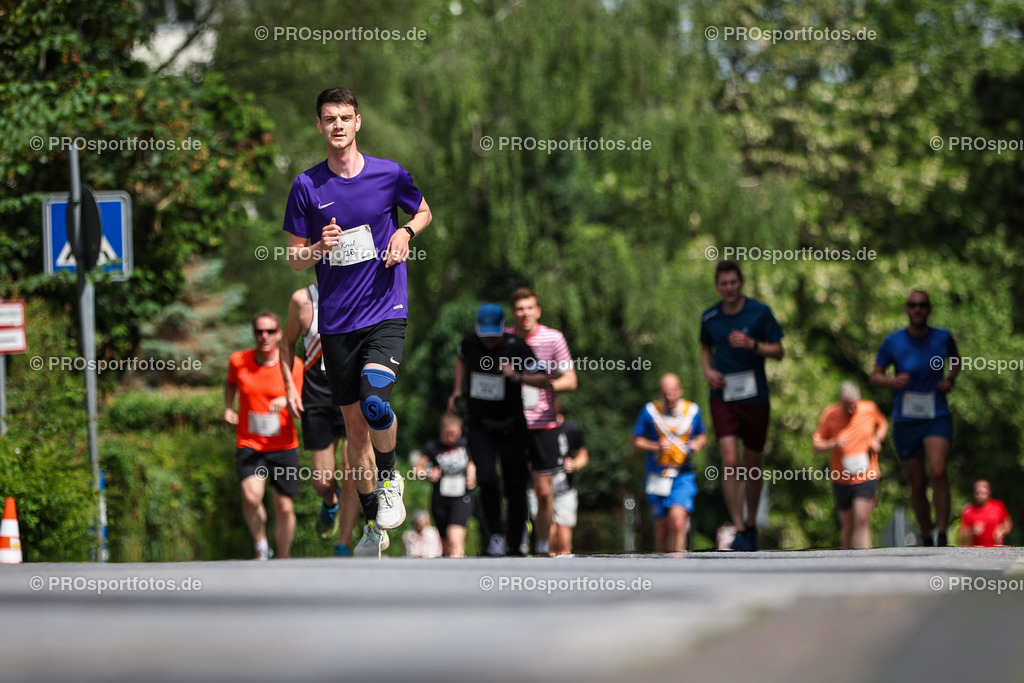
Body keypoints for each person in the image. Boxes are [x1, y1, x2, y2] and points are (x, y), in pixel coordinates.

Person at [282, 87, 432, 557]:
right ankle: (373, 524)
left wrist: (406, 233)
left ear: (359, 122)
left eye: (346, 117)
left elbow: (424, 211)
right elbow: (293, 259)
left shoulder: (390, 175)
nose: (338, 126)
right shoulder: (307, 186)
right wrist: (318, 249)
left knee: (373, 402)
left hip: (386, 308)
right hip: (337, 321)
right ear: (320, 126)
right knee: (354, 430)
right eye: (330, 119)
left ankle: (390, 478)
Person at [448, 303, 547, 556]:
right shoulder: (469, 343)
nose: (489, 340)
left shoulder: (516, 346)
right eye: (485, 335)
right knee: (487, 479)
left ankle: (516, 541)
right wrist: (458, 389)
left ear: (503, 328)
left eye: (494, 334)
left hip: (512, 426)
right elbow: (460, 358)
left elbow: (544, 378)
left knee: (516, 486)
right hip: (481, 426)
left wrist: (518, 377)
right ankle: (494, 536)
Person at [699, 260, 784, 551]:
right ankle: (738, 526)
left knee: (753, 463)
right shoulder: (710, 317)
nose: (729, 288)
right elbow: (704, 349)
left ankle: (750, 523)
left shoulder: (759, 312)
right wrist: (708, 372)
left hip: (754, 395)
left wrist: (753, 345)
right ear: (717, 286)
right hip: (722, 396)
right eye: (724, 283)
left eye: (733, 282)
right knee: (730, 461)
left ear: (741, 283)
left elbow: (779, 351)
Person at [870, 290, 959, 546]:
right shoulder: (893, 341)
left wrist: (950, 380)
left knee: (939, 470)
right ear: (906, 309)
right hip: (906, 418)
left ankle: (942, 533)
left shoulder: (942, 337)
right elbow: (874, 375)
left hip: (936, 413)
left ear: (929, 309)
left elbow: (955, 360)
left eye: (922, 305)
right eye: (913, 305)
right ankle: (925, 534)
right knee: (918, 483)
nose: (918, 309)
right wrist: (891, 380)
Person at [280, 282, 360, 556]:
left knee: (353, 471)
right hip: (317, 398)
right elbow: (286, 344)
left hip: (353, 394)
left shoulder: (359, 289)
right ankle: (330, 500)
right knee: (322, 481)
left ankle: (344, 543)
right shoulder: (302, 300)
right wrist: (290, 386)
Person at [224, 311, 304, 560]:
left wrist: (286, 399)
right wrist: (228, 407)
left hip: (283, 445)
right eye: (259, 331)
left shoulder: (293, 365)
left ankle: (283, 555)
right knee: (251, 496)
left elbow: (301, 403)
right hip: (251, 443)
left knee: (285, 506)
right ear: (254, 334)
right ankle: (260, 545)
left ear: (279, 334)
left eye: (270, 331)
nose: (264, 336)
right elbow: (230, 383)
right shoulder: (239, 360)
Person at [508, 287, 578, 557]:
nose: (524, 314)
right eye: (519, 309)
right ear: (513, 313)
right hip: (512, 424)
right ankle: (513, 543)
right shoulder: (504, 338)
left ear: (537, 311)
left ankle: (541, 545)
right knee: (513, 489)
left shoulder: (553, 338)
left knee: (544, 492)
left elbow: (571, 380)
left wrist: (543, 384)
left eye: (529, 308)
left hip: (544, 425)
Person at [630, 373, 708, 553]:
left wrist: (698, 443)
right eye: (666, 393)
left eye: (673, 392)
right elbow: (635, 440)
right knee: (662, 529)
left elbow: (703, 435)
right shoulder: (650, 411)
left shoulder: (692, 411)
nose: (670, 397)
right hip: (656, 476)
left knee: (677, 521)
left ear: (680, 390)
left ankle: (679, 566)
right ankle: (663, 571)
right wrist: (655, 446)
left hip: (683, 476)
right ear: (660, 393)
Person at [812, 382, 888, 550]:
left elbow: (883, 424)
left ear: (859, 399)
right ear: (840, 401)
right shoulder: (830, 415)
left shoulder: (869, 409)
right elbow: (816, 447)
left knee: (861, 518)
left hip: (866, 474)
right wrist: (833, 444)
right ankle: (846, 561)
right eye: (847, 407)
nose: (852, 410)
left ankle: (864, 559)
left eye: (854, 406)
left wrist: (877, 439)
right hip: (841, 477)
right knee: (847, 524)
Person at [414, 413, 476, 558]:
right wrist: (428, 473)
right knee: (446, 546)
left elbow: (474, 462)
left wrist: (472, 472)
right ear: (441, 430)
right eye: (447, 433)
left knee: (454, 538)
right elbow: (417, 470)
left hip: (462, 497)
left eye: (454, 433)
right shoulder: (432, 446)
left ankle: (459, 569)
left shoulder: (466, 444)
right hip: (440, 498)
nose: (451, 437)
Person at [959, 480, 1012, 547]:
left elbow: (1008, 524)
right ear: (974, 493)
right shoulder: (968, 510)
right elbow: (962, 536)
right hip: (977, 551)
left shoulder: (998, 506)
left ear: (989, 492)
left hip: (997, 549)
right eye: (977, 493)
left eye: (983, 493)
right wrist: (972, 531)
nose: (980, 496)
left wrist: (1002, 530)